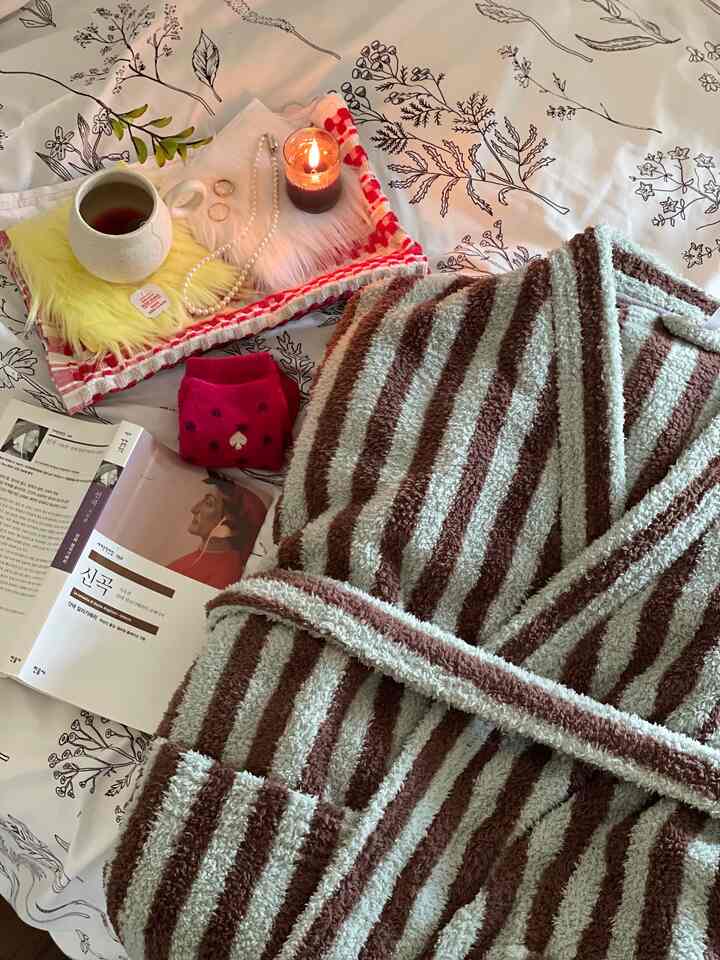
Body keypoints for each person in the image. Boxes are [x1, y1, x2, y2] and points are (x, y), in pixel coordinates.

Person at [167, 472, 267, 590]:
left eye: (209, 503)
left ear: (229, 526)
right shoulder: (204, 556)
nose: (194, 509)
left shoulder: (225, 573)